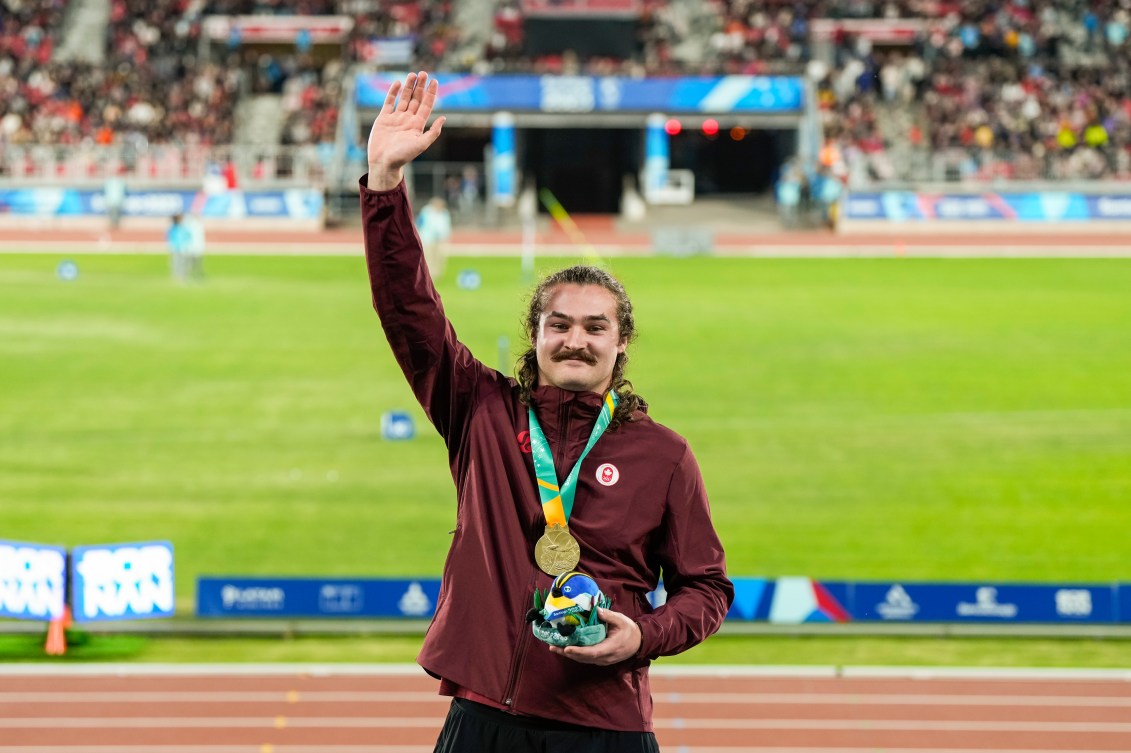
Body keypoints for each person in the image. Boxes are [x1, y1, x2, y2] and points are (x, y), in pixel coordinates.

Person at [360, 71, 733, 752]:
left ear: (620, 343)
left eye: (594, 326)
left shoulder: (663, 454)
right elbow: (408, 311)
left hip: (604, 725)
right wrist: (384, 186)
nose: (574, 338)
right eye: (557, 323)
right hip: (483, 719)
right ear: (534, 334)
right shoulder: (480, 410)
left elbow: (705, 586)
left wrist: (642, 634)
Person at [415, 196, 451, 280]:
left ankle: (437, 274)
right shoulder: (426, 212)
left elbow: (446, 226)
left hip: (441, 239)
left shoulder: (444, 213)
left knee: (439, 257)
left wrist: (446, 236)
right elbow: (419, 224)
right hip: (428, 239)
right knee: (429, 257)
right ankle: (430, 276)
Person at [166, 214, 190, 282]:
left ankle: (183, 276)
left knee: (182, 262)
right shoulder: (173, 228)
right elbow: (169, 236)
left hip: (182, 247)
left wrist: (186, 243)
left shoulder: (183, 228)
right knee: (175, 262)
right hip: (175, 247)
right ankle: (176, 276)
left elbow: (188, 236)